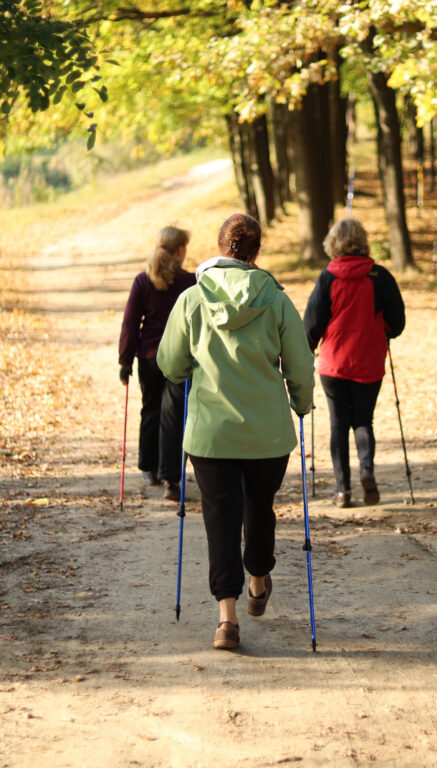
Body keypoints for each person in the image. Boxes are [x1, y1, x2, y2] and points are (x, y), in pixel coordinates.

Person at [157, 213, 314, 651]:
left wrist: (194, 364)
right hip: (267, 433)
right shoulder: (277, 300)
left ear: (220, 246)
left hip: (210, 433)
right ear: (255, 252)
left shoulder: (191, 299)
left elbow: (169, 364)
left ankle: (226, 620)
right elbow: (300, 364)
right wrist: (301, 402)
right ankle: (258, 578)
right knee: (259, 506)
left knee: (220, 518)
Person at [303, 218, 405, 508]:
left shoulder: (328, 277)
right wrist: (380, 332)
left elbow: (311, 325)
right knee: (364, 420)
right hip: (369, 359)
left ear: (333, 243)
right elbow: (397, 323)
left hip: (333, 362)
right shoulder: (380, 277)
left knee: (338, 425)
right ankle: (367, 471)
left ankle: (342, 490)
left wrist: (307, 351)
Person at [118, 226, 196, 502]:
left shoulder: (143, 280)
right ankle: (171, 479)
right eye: (184, 248)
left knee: (150, 409)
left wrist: (125, 361)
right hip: (178, 358)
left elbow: (130, 322)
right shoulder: (189, 282)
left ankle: (149, 467)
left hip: (149, 358)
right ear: (178, 251)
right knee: (174, 415)